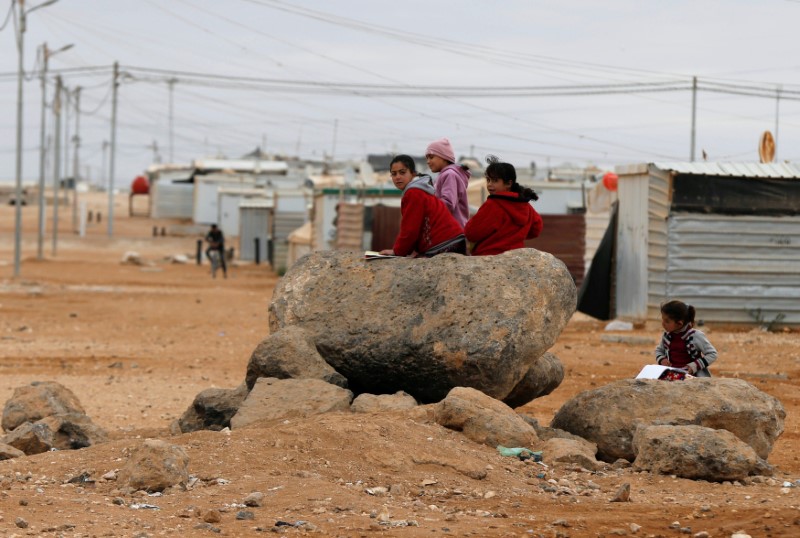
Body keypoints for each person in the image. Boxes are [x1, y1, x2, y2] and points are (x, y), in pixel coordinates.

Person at [380, 154, 466, 257]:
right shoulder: (420, 190)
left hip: (446, 244)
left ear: (413, 174)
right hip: (455, 240)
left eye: (402, 172)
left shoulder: (414, 193)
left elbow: (410, 229)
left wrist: (397, 251)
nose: (398, 177)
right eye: (394, 174)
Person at [464, 156, 543, 256]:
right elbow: (536, 229)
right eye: (488, 180)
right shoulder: (525, 205)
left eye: (495, 180)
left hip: (488, 257)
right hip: (515, 257)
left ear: (509, 183)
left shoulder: (493, 205)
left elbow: (472, 233)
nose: (489, 184)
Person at [655, 300, 717, 377]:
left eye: (667, 321)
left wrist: (694, 366)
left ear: (679, 323)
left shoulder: (695, 336)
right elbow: (659, 350)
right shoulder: (667, 335)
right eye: (662, 319)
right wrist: (662, 359)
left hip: (693, 376)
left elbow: (712, 354)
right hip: (672, 374)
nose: (663, 323)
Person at [425, 137, 470, 227]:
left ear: (444, 157)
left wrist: (427, 204)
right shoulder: (444, 175)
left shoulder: (449, 175)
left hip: (452, 232)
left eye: (431, 157)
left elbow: (448, 203)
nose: (428, 162)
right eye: (427, 158)